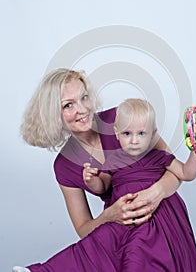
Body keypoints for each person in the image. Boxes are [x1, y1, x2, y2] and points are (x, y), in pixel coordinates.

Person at [13, 68, 181, 272]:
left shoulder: (122, 118)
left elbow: (175, 169)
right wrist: (110, 215)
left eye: (84, 98)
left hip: (163, 215)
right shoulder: (64, 166)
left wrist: (154, 195)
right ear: (53, 115)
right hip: (121, 228)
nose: (82, 109)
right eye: (68, 105)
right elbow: (84, 228)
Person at [82, 98, 196, 271]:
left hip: (162, 220)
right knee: (128, 259)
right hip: (128, 224)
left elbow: (187, 174)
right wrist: (91, 181)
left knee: (155, 259)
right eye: (127, 134)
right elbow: (103, 187)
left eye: (141, 133)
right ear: (116, 133)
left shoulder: (159, 156)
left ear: (153, 133)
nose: (134, 140)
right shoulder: (113, 160)